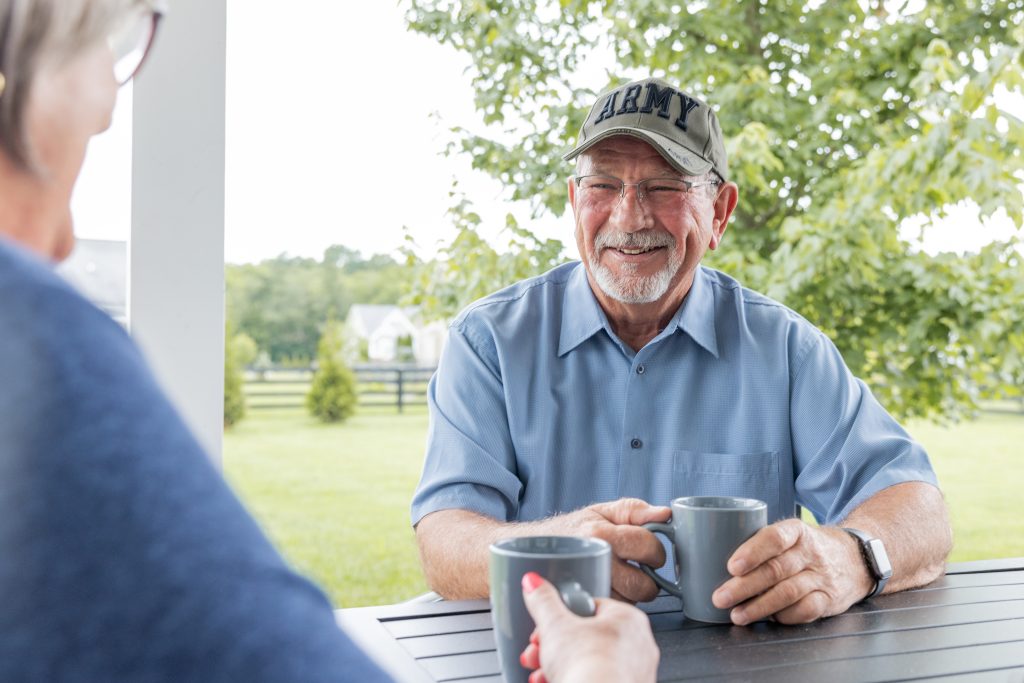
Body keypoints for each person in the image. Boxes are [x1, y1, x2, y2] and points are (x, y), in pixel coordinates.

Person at [0, 1, 656, 681]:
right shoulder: (32, 351)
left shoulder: (777, 340)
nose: (64, 244)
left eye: (662, 186)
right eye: (87, 139)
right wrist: (602, 670)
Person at [411, 76, 953, 624]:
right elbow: (446, 538)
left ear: (719, 212)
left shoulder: (786, 349)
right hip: (548, 659)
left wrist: (852, 556)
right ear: (575, 201)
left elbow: (919, 509)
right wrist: (556, 546)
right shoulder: (489, 343)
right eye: (603, 185)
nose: (629, 216)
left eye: (663, 187)